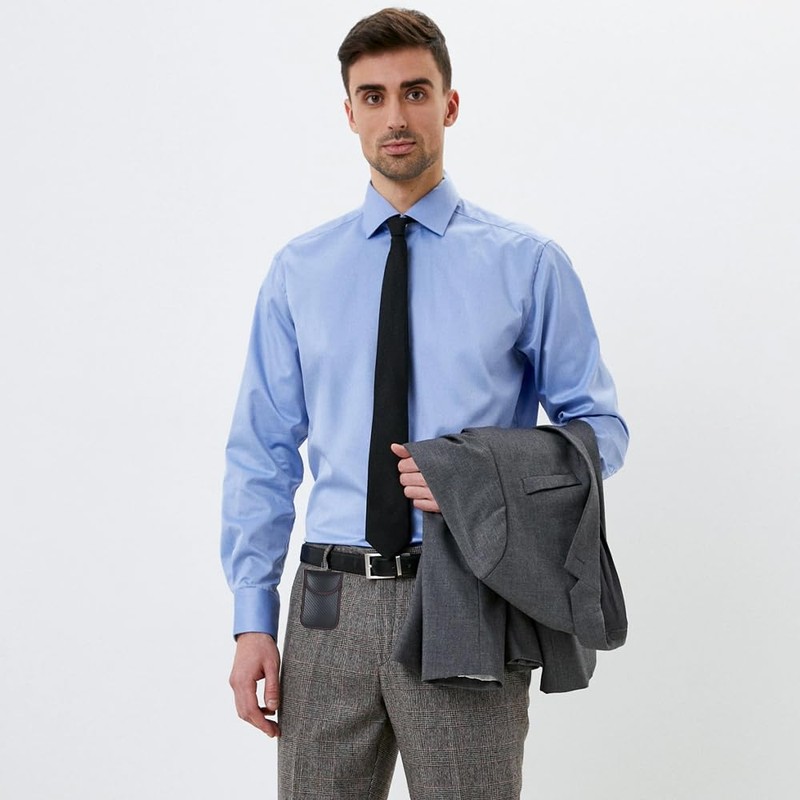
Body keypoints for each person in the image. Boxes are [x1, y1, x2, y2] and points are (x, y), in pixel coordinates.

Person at [222, 8, 628, 799]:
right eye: (373, 97)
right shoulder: (299, 271)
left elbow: (601, 431)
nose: (396, 117)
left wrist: (480, 477)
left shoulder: (527, 265)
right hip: (326, 607)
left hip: (465, 594)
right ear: (349, 113)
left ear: (450, 103)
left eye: (415, 91)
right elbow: (261, 452)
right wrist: (251, 619)